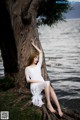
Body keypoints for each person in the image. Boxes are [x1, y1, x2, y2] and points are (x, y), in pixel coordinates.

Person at [25, 40, 63, 117]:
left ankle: (59, 108)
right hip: (35, 86)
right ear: (32, 58)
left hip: (42, 84)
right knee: (47, 83)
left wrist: (33, 44)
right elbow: (28, 80)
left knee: (51, 89)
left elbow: (41, 52)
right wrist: (38, 80)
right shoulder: (27, 68)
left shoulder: (38, 66)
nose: (37, 59)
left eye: (37, 58)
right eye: (35, 58)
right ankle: (49, 104)